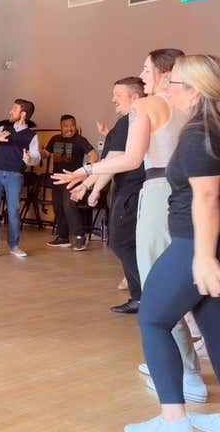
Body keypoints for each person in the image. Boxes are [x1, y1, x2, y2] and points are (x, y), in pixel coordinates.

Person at [53, 49, 206, 403]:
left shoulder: (146, 105)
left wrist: (87, 171)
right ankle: (181, 363)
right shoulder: (193, 105)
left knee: (156, 284)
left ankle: (187, 373)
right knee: (193, 278)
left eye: (146, 69)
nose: (143, 74)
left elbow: (131, 158)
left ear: (164, 73)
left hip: (160, 192)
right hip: (193, 192)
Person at [125, 55, 220, 432]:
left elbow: (207, 196)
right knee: (214, 327)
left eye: (173, 83)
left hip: (194, 242)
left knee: (153, 318)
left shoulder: (199, 132)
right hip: (203, 242)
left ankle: (174, 421)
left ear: (194, 92)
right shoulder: (210, 126)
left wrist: (203, 257)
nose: (166, 87)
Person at [70, 77, 145, 313]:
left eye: (118, 95)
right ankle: (140, 295)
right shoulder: (127, 122)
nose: (113, 99)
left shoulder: (130, 121)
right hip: (128, 188)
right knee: (125, 243)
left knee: (121, 242)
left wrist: (90, 185)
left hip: (132, 190)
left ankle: (143, 295)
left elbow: (113, 160)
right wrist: (90, 186)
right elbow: (110, 161)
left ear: (135, 97)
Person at [0, 99, 40, 259]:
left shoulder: (32, 136)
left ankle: (14, 246)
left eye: (14, 109)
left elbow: (36, 158)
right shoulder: (4, 127)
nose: (10, 111)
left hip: (15, 176)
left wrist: (30, 159)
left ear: (23, 114)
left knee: (13, 211)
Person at [42, 114, 99, 251]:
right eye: (66, 126)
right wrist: (34, 153)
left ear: (75, 126)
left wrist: (86, 172)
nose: (69, 128)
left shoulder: (80, 140)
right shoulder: (55, 139)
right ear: (61, 127)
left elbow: (94, 155)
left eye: (72, 125)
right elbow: (45, 154)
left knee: (69, 206)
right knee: (58, 207)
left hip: (72, 181)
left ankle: (80, 236)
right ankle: (63, 238)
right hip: (57, 180)